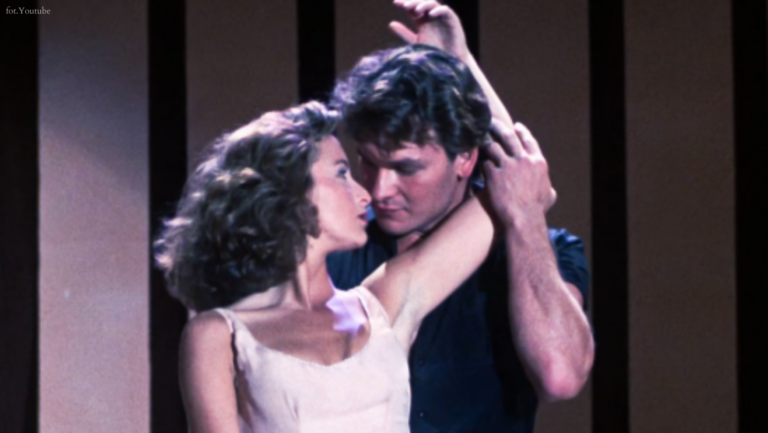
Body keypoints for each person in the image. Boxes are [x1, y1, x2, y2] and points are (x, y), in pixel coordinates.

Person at [154, 98, 531, 432]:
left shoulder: (385, 303)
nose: (367, 194)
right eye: (340, 173)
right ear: (289, 193)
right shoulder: (220, 335)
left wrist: (458, 54)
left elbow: (524, 175)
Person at [326, 2, 595, 432]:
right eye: (369, 163)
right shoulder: (336, 248)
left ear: (466, 159)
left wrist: (526, 216)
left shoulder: (541, 250)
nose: (379, 190)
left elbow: (560, 375)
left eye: (406, 168)